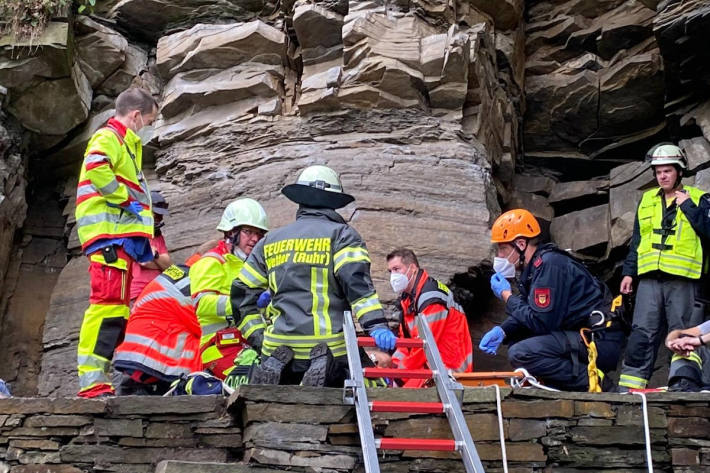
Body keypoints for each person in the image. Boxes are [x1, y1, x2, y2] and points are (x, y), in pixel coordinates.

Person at [231, 165, 396, 387]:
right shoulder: (343, 236)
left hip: (279, 348)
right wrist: (376, 325)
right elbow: (358, 289)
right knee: (375, 385)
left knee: (282, 398)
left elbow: (242, 295)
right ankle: (324, 368)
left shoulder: (270, 241)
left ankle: (281, 371)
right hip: (330, 348)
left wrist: (260, 338)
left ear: (300, 200)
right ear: (334, 202)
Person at [479, 209, 625, 391]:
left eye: (503, 249)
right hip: (581, 336)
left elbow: (540, 321)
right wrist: (503, 330)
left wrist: (506, 296)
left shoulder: (549, 265)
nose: (499, 257)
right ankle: (562, 383)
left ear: (521, 244)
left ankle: (598, 384)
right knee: (518, 342)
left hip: (598, 340)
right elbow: (529, 310)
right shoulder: (534, 269)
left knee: (521, 353)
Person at [74, 88, 158, 398]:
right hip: (109, 237)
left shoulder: (121, 141)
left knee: (117, 309)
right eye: (148, 121)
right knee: (106, 307)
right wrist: (124, 200)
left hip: (117, 240)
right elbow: (97, 169)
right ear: (136, 116)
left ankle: (103, 378)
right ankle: (93, 381)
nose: (146, 128)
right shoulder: (109, 137)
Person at [617, 143, 710, 392]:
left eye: (667, 171)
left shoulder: (700, 199)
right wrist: (629, 273)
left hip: (684, 279)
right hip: (649, 280)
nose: (662, 176)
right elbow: (638, 240)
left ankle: (683, 384)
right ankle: (629, 389)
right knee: (641, 333)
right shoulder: (647, 200)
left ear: (679, 172)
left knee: (682, 336)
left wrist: (689, 207)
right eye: (658, 172)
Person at [189, 198, 269, 379]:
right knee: (253, 379)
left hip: (253, 343)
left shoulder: (256, 266)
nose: (255, 239)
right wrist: (244, 301)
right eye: (248, 232)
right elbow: (202, 304)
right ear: (231, 232)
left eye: (259, 233)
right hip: (218, 347)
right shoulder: (212, 262)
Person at [385, 248, 473, 387]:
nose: (393, 276)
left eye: (397, 269)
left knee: (398, 399)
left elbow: (424, 347)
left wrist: (398, 378)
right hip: (429, 365)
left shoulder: (431, 298)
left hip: (448, 369)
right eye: (390, 271)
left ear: (412, 268)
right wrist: (393, 368)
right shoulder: (408, 300)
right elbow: (405, 344)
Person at [113, 263, 201, 395]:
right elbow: (201, 325)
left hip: (134, 356)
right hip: (150, 357)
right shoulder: (190, 282)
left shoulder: (175, 277)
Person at [129, 190, 172, 304]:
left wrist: (155, 255)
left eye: (161, 215)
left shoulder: (157, 235)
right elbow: (144, 262)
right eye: (156, 214)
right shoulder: (133, 230)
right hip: (139, 293)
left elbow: (168, 266)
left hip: (159, 291)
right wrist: (158, 260)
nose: (159, 218)